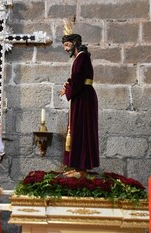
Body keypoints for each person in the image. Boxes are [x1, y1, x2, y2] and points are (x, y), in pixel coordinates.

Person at [59, 30, 99, 171]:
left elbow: (77, 79)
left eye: (67, 45)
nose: (66, 48)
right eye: (64, 45)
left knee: (82, 130)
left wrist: (67, 89)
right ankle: (77, 168)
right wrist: (68, 84)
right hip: (82, 96)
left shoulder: (81, 57)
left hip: (83, 98)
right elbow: (77, 78)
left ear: (75, 43)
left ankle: (81, 168)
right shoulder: (80, 57)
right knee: (78, 129)